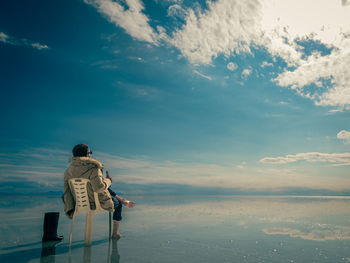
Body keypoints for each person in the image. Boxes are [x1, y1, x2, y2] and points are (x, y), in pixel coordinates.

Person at [63, 143, 135, 239]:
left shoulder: (68, 171)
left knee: (104, 188)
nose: (91, 155)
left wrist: (70, 206)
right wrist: (108, 181)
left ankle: (123, 200)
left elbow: (67, 191)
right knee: (117, 204)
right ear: (87, 154)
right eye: (90, 152)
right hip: (96, 202)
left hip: (78, 203)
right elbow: (99, 188)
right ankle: (115, 233)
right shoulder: (94, 168)